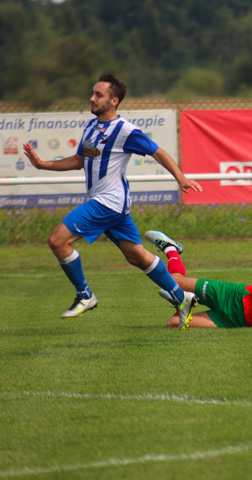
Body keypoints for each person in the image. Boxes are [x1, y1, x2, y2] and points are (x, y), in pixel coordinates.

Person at [22, 74, 202, 323]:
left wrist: (180, 178)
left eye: (99, 95)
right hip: (111, 204)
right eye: (93, 93)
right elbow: (79, 160)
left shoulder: (125, 130)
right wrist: (42, 164)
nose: (92, 98)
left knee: (57, 240)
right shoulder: (91, 127)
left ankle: (85, 295)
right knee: (136, 256)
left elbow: (157, 151)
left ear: (114, 101)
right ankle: (181, 297)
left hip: (108, 202)